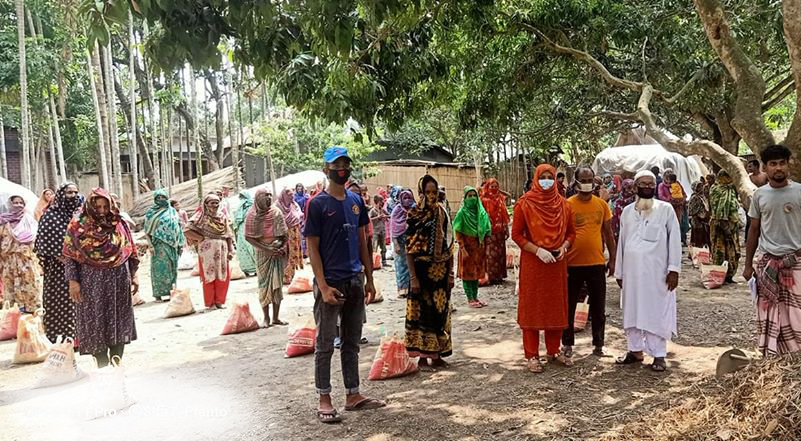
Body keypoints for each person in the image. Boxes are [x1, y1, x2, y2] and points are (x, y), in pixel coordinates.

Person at [304, 146, 382, 424]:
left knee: (351, 341)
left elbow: (363, 240)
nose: (342, 168)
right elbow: (312, 247)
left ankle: (353, 394)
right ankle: (324, 396)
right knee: (325, 342)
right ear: (326, 168)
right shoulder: (316, 204)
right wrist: (322, 286)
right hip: (330, 283)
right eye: (337, 164)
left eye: (346, 163)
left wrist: (369, 277)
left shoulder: (355, 201)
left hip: (354, 280)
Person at [63, 188, 139, 367]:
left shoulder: (119, 224)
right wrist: (73, 282)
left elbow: (130, 251)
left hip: (119, 279)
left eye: (106, 207)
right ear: (90, 206)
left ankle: (116, 363)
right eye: (98, 207)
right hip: (91, 282)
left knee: (119, 320)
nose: (103, 211)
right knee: (95, 322)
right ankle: (102, 365)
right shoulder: (77, 226)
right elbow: (70, 255)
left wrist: (134, 276)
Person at [614, 170, 681, 372]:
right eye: (643, 184)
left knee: (656, 312)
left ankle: (659, 355)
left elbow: (675, 241)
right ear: (635, 187)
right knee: (631, 311)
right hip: (632, 274)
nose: (647, 187)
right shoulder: (627, 212)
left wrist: (674, 270)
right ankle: (634, 351)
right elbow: (622, 243)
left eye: (651, 184)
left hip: (657, 273)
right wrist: (619, 272)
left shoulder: (665, 209)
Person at [512, 164, 576, 373]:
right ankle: (531, 355)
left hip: (556, 264)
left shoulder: (564, 205)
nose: (547, 180)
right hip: (533, 264)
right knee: (532, 307)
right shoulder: (525, 204)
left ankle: (553, 350)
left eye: (551, 177)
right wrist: (537, 250)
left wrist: (564, 247)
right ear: (536, 179)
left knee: (554, 306)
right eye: (543, 177)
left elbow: (571, 233)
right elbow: (517, 234)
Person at [743, 144, 801, 356]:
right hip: (767, 263)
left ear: (788, 166)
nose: (778, 168)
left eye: (782, 163)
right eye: (773, 164)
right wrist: (748, 265)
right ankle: (772, 355)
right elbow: (754, 230)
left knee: (797, 313)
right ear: (765, 168)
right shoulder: (759, 196)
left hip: (796, 263)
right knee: (768, 312)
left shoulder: (799, 191)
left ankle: (795, 358)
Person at [563, 167, 616, 357]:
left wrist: (613, 260)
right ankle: (567, 344)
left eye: (589, 179)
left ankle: (599, 344)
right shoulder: (567, 205)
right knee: (568, 306)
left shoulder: (601, 205)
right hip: (572, 264)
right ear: (575, 182)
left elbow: (608, 234)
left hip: (596, 263)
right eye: (583, 179)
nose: (587, 183)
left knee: (598, 306)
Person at [405, 174, 455, 369]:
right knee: (420, 313)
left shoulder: (442, 213)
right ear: (421, 193)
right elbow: (409, 248)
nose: (432, 196)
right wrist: (413, 278)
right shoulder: (414, 214)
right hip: (421, 271)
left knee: (439, 312)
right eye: (428, 192)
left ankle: (437, 354)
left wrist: (451, 273)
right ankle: (422, 355)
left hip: (440, 271)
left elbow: (450, 245)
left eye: (435, 192)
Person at [35, 182, 83, 343]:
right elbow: (47, 245)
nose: (74, 196)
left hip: (83, 267)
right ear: (61, 195)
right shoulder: (50, 217)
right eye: (69, 193)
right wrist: (70, 264)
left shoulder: (81, 216)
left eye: (76, 192)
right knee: (63, 304)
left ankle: (82, 337)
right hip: (59, 270)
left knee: (82, 303)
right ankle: (63, 340)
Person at [246, 188, 288, 327]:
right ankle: (266, 317)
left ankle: (276, 317)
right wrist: (266, 249)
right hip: (262, 252)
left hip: (276, 252)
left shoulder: (276, 212)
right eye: (265, 196)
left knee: (277, 285)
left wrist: (279, 247)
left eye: (270, 195)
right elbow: (249, 237)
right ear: (258, 198)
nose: (269, 198)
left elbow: (284, 234)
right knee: (264, 285)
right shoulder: (252, 215)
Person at [184, 194, 234, 310]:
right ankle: (210, 303)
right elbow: (186, 230)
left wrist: (231, 250)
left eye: (217, 202)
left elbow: (228, 234)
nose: (215, 205)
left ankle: (219, 301)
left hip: (222, 248)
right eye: (212, 203)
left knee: (223, 274)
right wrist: (200, 238)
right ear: (206, 204)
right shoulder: (200, 216)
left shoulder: (222, 216)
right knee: (209, 275)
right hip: (207, 250)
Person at [143, 189, 186, 302]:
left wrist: (181, 244)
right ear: (155, 199)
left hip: (173, 245)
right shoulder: (150, 213)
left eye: (163, 198)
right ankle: (158, 293)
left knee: (172, 268)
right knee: (159, 269)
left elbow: (179, 228)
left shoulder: (172, 211)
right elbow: (147, 231)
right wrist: (150, 245)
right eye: (158, 198)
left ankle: (171, 291)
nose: (161, 200)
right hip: (158, 245)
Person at [0, 195, 40, 312]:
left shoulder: (29, 221)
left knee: (30, 289)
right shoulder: (3, 222)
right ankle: (14, 318)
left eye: (20, 203)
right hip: (9, 263)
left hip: (27, 263)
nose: (18, 205)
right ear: (10, 204)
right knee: (11, 291)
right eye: (15, 203)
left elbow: (37, 240)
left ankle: (31, 318)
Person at [454, 186, 491, 308]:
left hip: (478, 247)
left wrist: (486, 246)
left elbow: (487, 230)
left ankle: (475, 297)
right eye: (469, 196)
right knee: (467, 273)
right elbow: (458, 233)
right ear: (465, 198)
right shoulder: (462, 213)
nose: (472, 198)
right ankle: (470, 298)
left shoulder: (481, 213)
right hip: (467, 248)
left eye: (474, 195)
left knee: (476, 273)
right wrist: (463, 249)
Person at [709, 170, 741, 283]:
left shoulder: (731, 189)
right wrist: (726, 228)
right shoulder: (716, 189)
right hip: (719, 226)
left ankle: (729, 275)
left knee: (732, 251)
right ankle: (719, 275)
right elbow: (717, 209)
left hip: (732, 226)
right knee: (720, 251)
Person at [481, 178, 510, 284]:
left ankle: (499, 276)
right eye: (491, 187)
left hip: (500, 230)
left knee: (500, 253)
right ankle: (490, 276)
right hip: (489, 231)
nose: (494, 189)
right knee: (490, 254)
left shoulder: (501, 199)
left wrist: (506, 228)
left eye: (496, 187)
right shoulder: (483, 200)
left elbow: (505, 215)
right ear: (487, 187)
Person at [390, 189, 415, 298]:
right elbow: (393, 227)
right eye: (404, 198)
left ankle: (411, 287)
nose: (407, 200)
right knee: (401, 265)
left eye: (409, 198)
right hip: (400, 242)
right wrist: (395, 243)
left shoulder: (415, 209)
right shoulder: (397, 210)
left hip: (412, 241)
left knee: (412, 265)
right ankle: (402, 288)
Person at [278, 187, 304, 284]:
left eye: (292, 195)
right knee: (285, 254)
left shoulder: (294, 204)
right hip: (283, 234)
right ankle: (285, 276)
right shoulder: (278, 206)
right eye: (289, 195)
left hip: (295, 232)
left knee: (293, 254)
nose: (292, 197)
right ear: (284, 196)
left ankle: (290, 275)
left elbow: (299, 214)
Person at [232, 192, 257, 277]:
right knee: (243, 249)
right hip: (242, 230)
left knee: (251, 248)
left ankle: (256, 268)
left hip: (250, 229)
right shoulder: (241, 207)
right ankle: (246, 268)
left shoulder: (252, 205)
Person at [745, 159, 768, 242]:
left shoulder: (765, 176)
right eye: (748, 167)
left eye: (750, 166)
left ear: (756, 166)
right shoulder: (749, 178)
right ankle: (747, 239)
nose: (748, 168)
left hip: (764, 200)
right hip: (752, 201)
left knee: (764, 220)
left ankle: (763, 239)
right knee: (750, 220)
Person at [688, 181, 711, 248]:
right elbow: (691, 211)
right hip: (697, 222)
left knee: (704, 240)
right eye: (698, 187)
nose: (700, 188)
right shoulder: (694, 198)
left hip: (704, 222)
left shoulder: (703, 196)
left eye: (701, 186)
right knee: (697, 240)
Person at [369, 195, 389, 267]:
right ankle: (373, 263)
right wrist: (378, 217)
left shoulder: (382, 210)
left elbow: (389, 215)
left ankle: (384, 262)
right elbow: (370, 219)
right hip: (375, 232)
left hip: (382, 231)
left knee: (383, 247)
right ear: (377, 202)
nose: (382, 203)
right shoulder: (373, 210)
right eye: (381, 202)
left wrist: (385, 216)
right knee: (374, 247)